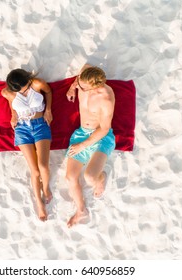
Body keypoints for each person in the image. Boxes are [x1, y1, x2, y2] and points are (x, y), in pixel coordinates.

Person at [65, 64, 116, 227]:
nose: (78, 84)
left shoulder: (105, 98)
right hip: (81, 132)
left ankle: (101, 178)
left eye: (81, 86)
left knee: (90, 177)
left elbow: (104, 128)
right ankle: (81, 211)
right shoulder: (84, 76)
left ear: (94, 87)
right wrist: (73, 87)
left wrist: (83, 146)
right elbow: (85, 68)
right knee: (70, 177)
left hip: (100, 136)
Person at [1, 69, 53, 221]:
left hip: (40, 125)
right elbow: (11, 100)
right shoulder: (9, 92)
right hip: (22, 129)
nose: (20, 92)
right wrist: (13, 114)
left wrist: (48, 110)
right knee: (35, 171)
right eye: (16, 90)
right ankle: (39, 203)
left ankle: (45, 188)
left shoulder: (37, 84)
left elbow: (48, 92)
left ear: (27, 81)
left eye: (21, 88)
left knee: (43, 166)